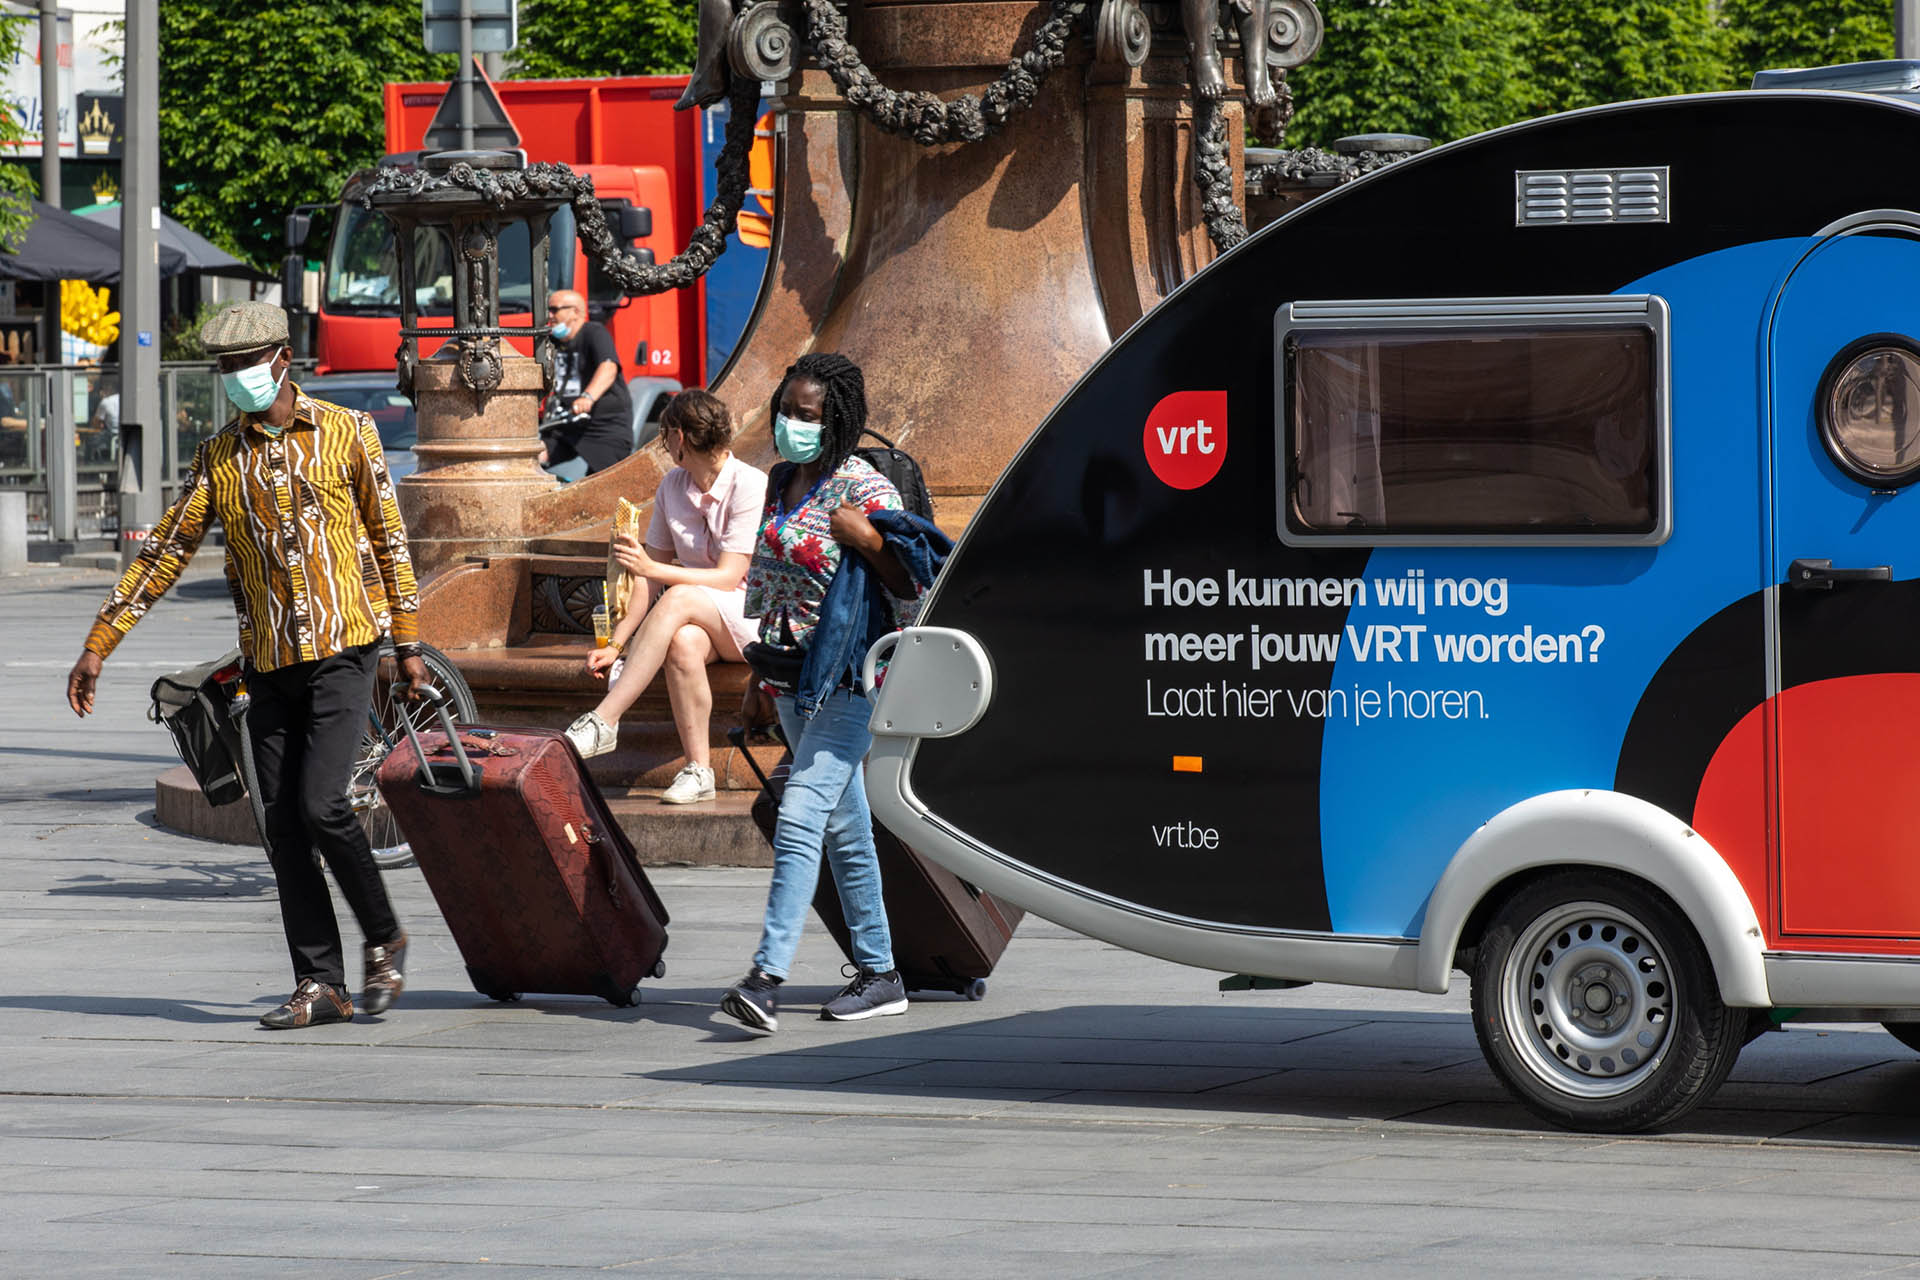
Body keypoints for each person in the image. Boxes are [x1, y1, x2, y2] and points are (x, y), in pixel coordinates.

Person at [64, 301, 428, 1031]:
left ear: (283, 360)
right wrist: (99, 643)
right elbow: (165, 552)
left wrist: (408, 643)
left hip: (344, 648)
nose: (235, 378)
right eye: (225, 368)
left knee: (322, 805)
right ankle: (321, 983)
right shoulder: (219, 457)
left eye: (245, 364)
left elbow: (389, 538)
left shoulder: (347, 433)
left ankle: (384, 936)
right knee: (281, 825)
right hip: (266, 661)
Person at [720, 352, 920, 1033]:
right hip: (790, 679)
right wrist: (757, 680)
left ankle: (765, 978)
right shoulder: (782, 481)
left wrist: (866, 539)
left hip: (851, 679)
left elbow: (914, 581)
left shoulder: (864, 487)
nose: (791, 425)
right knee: (845, 827)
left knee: (803, 814)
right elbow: (773, 583)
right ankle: (881, 974)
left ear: (835, 422)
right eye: (785, 411)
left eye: (805, 415)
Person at [564, 389, 768, 804]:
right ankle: (699, 770)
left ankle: (605, 720)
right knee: (682, 643)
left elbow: (729, 577)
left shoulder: (749, 483)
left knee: (679, 597)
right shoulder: (673, 485)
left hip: (752, 617)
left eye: (664, 436)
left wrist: (654, 571)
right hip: (702, 617)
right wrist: (616, 643)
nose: (664, 444)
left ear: (679, 438)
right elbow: (646, 578)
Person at [539, 289, 633, 476]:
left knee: (603, 482)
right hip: (566, 425)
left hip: (602, 427)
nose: (549, 315)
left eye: (554, 309)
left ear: (574, 312)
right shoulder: (551, 342)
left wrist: (587, 397)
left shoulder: (594, 332)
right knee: (533, 458)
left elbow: (609, 367)